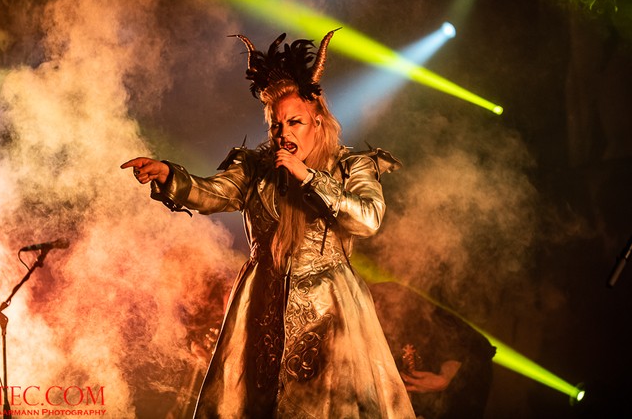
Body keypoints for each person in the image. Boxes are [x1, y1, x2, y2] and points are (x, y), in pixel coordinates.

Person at [121, 30, 416, 418]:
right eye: (277, 125)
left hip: (329, 306)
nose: (284, 134)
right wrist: (168, 175)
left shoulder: (350, 166)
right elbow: (212, 193)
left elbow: (368, 218)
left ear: (318, 121)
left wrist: (309, 178)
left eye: (295, 122)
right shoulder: (255, 167)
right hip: (261, 297)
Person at [370, 282, 496, 419]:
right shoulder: (367, 332)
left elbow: (476, 347)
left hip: (464, 388)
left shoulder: (419, 312)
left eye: (379, 304)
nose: (377, 307)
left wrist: (444, 377)